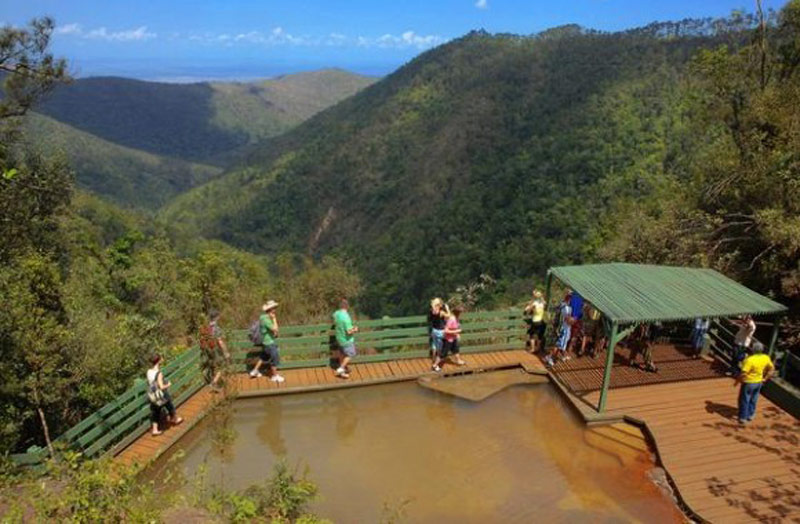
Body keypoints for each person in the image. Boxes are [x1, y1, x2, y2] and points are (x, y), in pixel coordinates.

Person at [735, 342, 774, 424]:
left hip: (749, 382)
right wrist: (765, 379)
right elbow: (771, 369)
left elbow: (744, 373)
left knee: (745, 399)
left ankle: (743, 417)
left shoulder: (749, 360)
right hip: (759, 382)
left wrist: (738, 381)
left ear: (753, 350)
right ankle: (751, 414)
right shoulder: (765, 357)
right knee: (754, 399)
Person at [147, 354, 183, 436]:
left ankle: (155, 429)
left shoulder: (149, 371)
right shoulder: (159, 373)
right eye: (161, 358)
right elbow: (161, 386)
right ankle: (175, 419)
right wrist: (168, 384)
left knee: (155, 411)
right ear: (158, 361)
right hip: (161, 395)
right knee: (170, 405)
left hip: (153, 395)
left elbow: (151, 383)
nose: (162, 359)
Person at [249, 301, 285, 382]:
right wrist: (274, 319)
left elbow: (273, 331)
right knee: (274, 358)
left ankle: (255, 371)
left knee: (264, 356)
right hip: (269, 343)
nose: (275, 309)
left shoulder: (264, 317)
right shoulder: (265, 319)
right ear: (270, 309)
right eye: (274, 308)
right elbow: (275, 329)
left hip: (266, 342)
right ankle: (274, 376)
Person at [199, 309, 230, 391]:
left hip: (208, 350)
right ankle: (214, 382)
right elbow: (220, 341)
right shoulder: (216, 328)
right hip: (216, 350)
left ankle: (216, 381)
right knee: (222, 366)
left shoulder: (207, 328)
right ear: (216, 317)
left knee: (214, 365)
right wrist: (226, 352)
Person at [433, 306, 466, 371]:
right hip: (448, 339)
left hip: (453, 338)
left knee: (456, 350)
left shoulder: (457, 319)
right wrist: (456, 331)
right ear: (458, 313)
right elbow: (445, 330)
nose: (463, 314)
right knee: (443, 354)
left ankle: (458, 360)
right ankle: (435, 365)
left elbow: (456, 327)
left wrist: (457, 334)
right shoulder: (452, 319)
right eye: (462, 313)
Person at [333, 299, 359, 379]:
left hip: (339, 338)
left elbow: (334, 317)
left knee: (342, 354)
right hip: (346, 340)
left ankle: (342, 371)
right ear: (347, 306)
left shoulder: (336, 314)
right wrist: (355, 329)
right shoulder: (346, 318)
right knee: (351, 354)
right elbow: (349, 331)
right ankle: (340, 369)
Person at [545, 291, 572, 367]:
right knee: (559, 345)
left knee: (561, 343)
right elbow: (568, 319)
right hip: (564, 328)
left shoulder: (562, 304)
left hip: (561, 327)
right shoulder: (566, 308)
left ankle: (561, 356)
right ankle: (551, 358)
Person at [523, 289, 546, 353]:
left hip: (535, 321)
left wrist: (529, 307)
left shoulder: (534, 303)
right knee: (539, 336)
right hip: (541, 321)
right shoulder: (543, 303)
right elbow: (543, 301)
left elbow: (527, 311)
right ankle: (538, 348)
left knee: (531, 335)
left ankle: (532, 349)